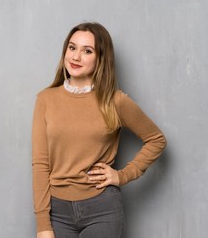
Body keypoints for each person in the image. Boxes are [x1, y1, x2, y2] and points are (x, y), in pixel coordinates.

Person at [32, 22, 167, 238]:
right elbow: (40, 164)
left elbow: (156, 140)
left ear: (100, 58)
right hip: (57, 213)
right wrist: (42, 225)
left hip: (103, 210)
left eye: (87, 51)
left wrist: (122, 175)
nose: (76, 57)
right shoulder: (46, 100)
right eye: (72, 47)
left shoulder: (115, 101)